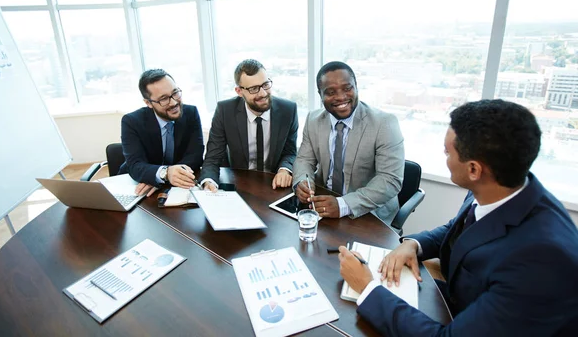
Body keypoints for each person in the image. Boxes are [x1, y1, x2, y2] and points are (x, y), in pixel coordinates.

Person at [338, 99, 578, 336]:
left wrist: (367, 287)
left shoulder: (542, 260)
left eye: (447, 151)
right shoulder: (504, 185)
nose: (444, 156)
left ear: (474, 169)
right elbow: (461, 228)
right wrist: (413, 244)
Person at [293, 61, 404, 223]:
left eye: (347, 88)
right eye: (330, 92)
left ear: (356, 87)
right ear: (320, 94)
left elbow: (390, 180)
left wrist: (343, 205)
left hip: (369, 213)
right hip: (323, 205)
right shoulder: (313, 120)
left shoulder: (384, 123)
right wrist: (302, 182)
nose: (340, 97)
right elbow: (304, 159)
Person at [200, 59, 298, 190]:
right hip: (238, 183)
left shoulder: (288, 110)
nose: (263, 93)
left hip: (274, 183)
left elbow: (290, 151)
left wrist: (284, 170)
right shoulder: (225, 111)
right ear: (239, 91)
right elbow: (213, 158)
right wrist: (209, 181)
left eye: (265, 84)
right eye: (254, 89)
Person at [119, 69, 204, 196]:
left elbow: (195, 155)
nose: (174, 102)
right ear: (148, 103)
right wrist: (163, 174)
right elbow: (135, 164)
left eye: (175, 93)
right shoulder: (131, 121)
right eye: (164, 99)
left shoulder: (190, 113)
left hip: (174, 186)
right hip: (139, 186)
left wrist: (168, 176)